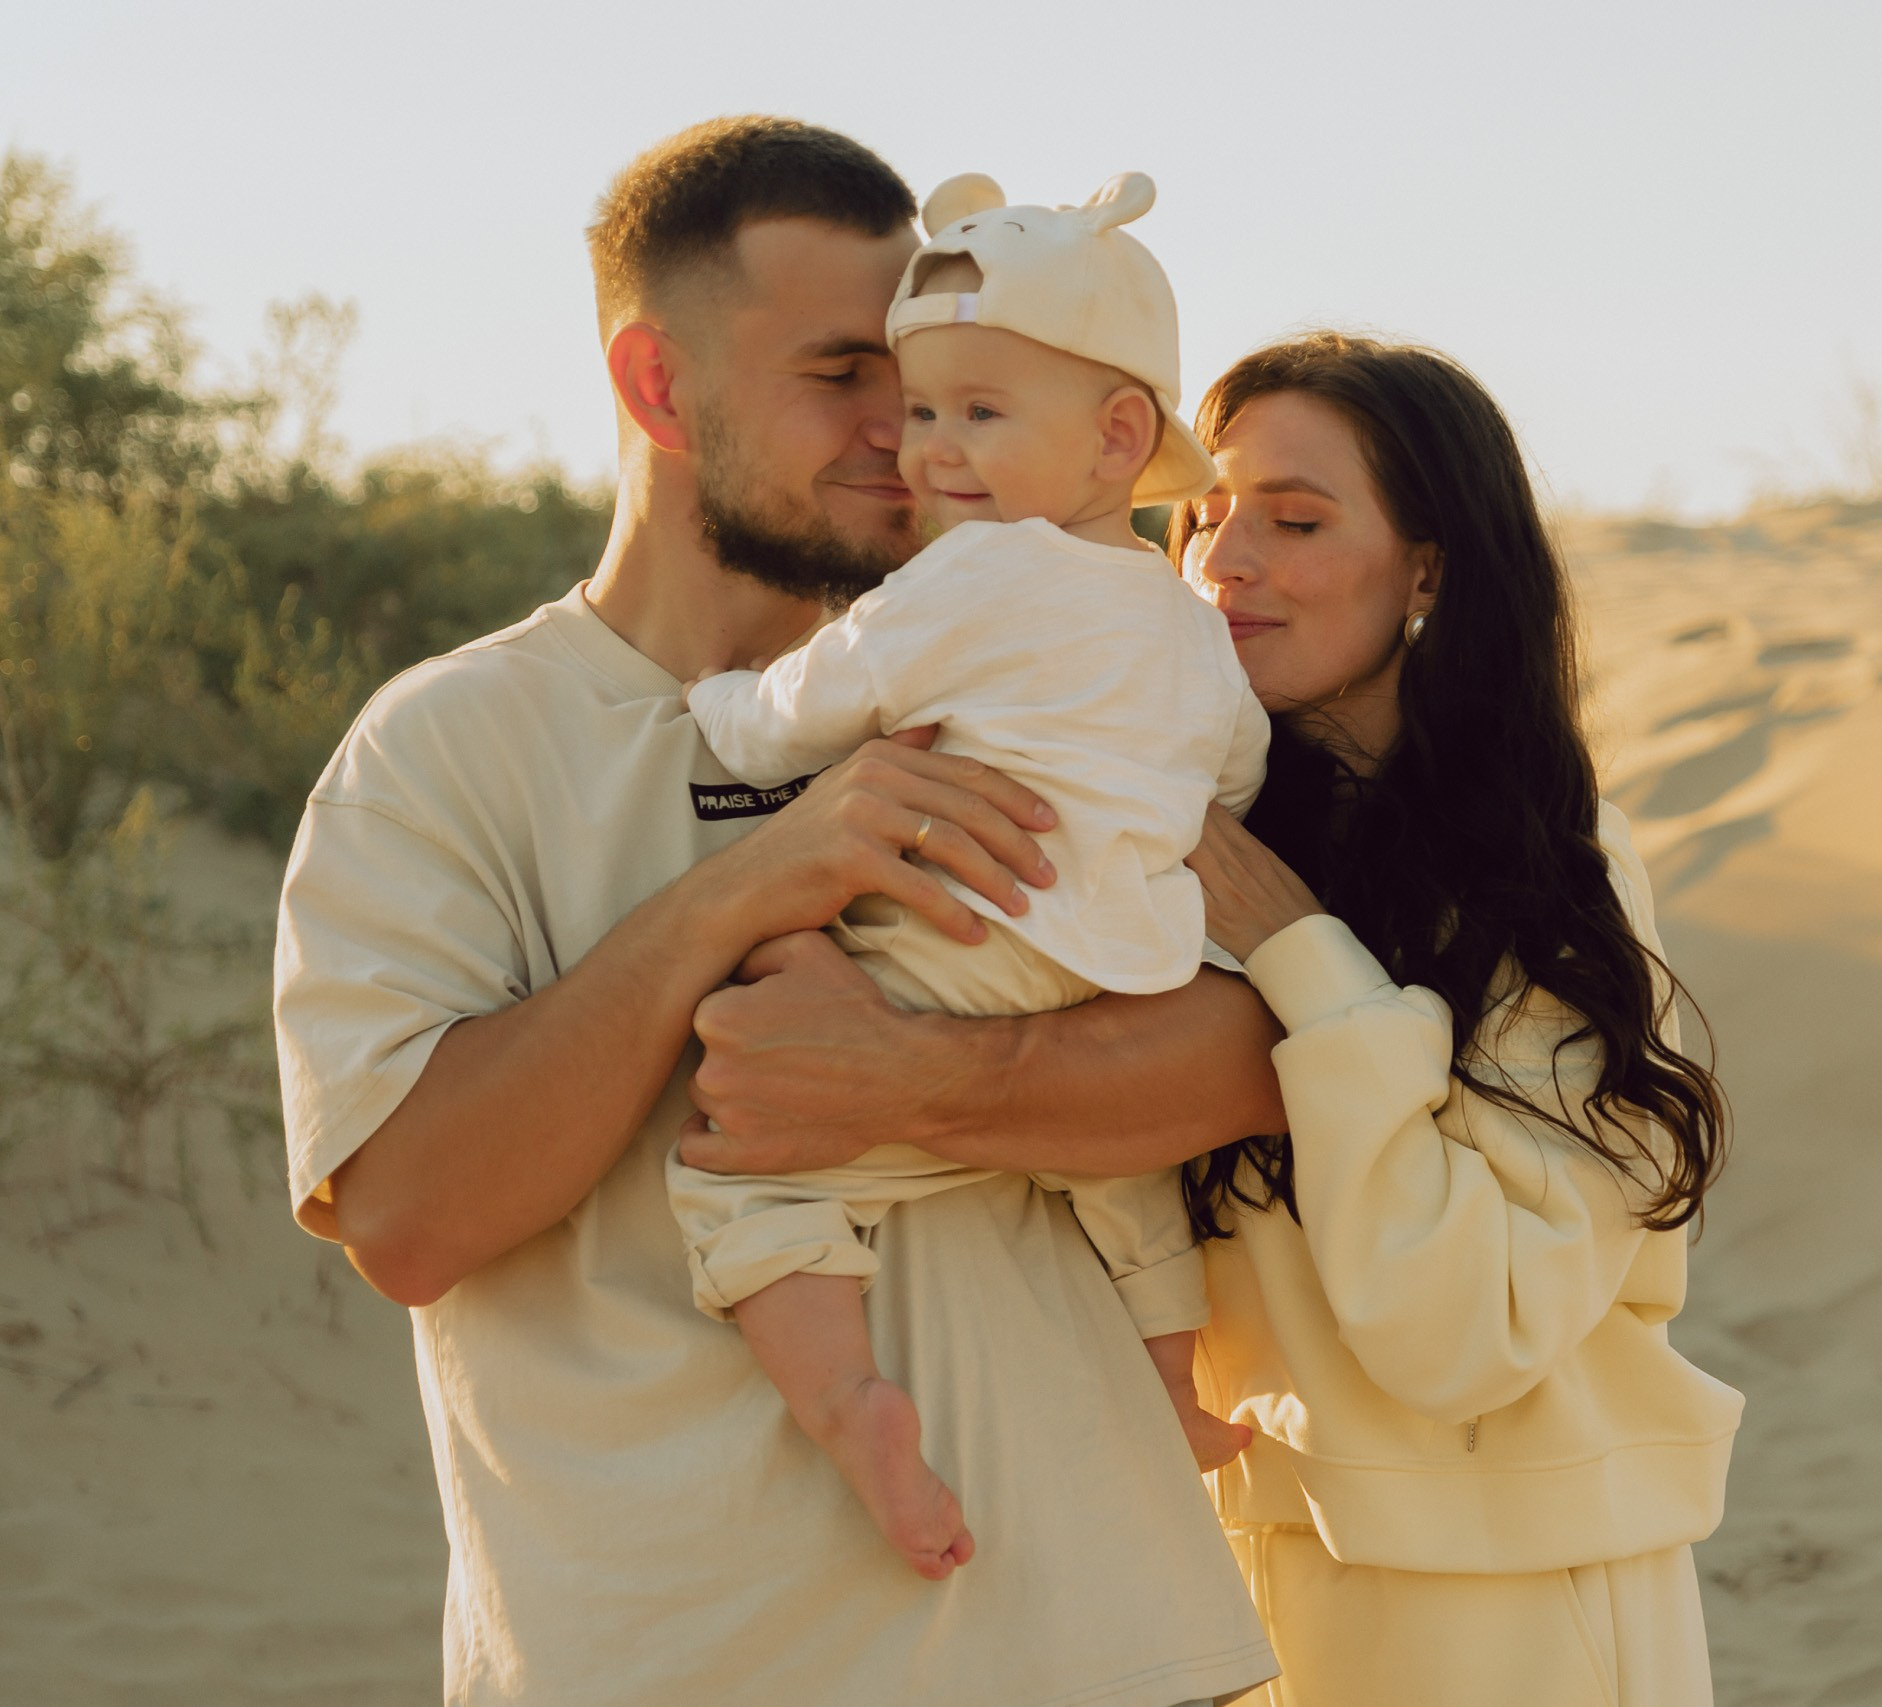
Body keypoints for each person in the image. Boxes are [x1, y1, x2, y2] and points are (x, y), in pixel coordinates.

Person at [272, 116, 1278, 1707]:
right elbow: (406, 1215)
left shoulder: (1029, 663)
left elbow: (1253, 1049)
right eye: (840, 377)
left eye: (926, 379)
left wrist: (925, 1077)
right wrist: (752, 887)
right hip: (677, 1665)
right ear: (659, 386)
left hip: (1110, 1646)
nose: (907, 432)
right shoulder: (444, 747)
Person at [675, 168, 1263, 1578]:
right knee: (1111, 1163)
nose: (930, 448)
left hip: (964, 928)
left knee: (748, 1169)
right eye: (924, 409)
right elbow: (1229, 771)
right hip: (1124, 947)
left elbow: (817, 702)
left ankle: (849, 1401)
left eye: (978, 415)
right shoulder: (1186, 624)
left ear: (1121, 434)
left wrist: (716, 707)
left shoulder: (972, 575)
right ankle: (1178, 1376)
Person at [1174, 333, 1746, 1705]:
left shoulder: (1544, 868)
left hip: (1510, 1602)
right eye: (1198, 515)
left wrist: (1305, 964)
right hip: (1236, 1596)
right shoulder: (1185, 851)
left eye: (1295, 520)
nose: (1222, 561)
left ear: (1427, 569)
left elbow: (1464, 1328)